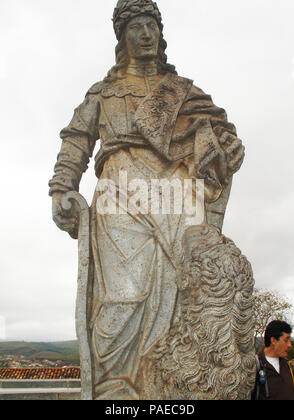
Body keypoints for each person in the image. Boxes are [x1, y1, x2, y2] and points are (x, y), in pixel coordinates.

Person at [49, 0, 245, 400]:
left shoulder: (184, 91)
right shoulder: (103, 92)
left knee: (178, 293)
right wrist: (62, 186)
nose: (145, 34)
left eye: (151, 26)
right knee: (121, 298)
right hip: (120, 196)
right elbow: (76, 141)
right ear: (122, 36)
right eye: (136, 27)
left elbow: (222, 140)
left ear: (160, 31)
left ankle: (170, 385)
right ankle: (116, 391)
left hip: (177, 195)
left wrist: (228, 150)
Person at [253, 320, 294, 400]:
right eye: (286, 340)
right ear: (273, 340)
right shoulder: (255, 365)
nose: (289, 345)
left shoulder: (288, 365)